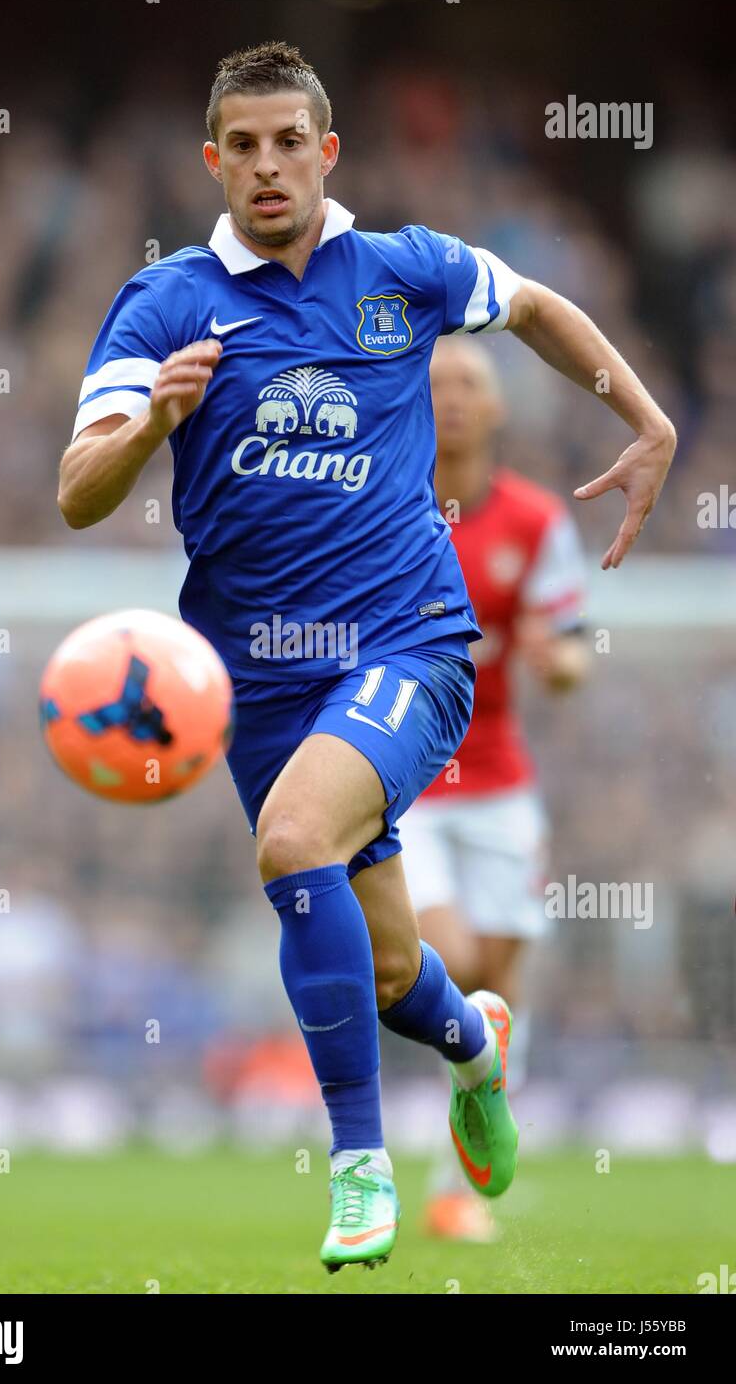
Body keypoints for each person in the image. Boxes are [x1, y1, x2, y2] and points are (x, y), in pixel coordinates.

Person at [57, 41, 675, 1271]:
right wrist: (157, 425)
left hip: (408, 643)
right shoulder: (169, 303)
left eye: (291, 141)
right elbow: (79, 490)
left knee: (291, 847)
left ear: (327, 150)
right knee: (394, 967)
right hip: (259, 682)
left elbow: (539, 308)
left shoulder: (406, 268)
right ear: (214, 162)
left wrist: (647, 419)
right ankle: (474, 1045)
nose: (269, 165)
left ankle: (356, 1167)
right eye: (245, 146)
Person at [400, 336, 588, 1241]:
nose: (454, 400)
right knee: (460, 972)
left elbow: (572, 646)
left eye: (471, 383)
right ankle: (453, 1155)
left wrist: (561, 664)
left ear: (500, 406)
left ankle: (452, 1190)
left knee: (501, 992)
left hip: (503, 784)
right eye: (436, 386)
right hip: (407, 781)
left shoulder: (537, 522)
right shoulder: (382, 509)